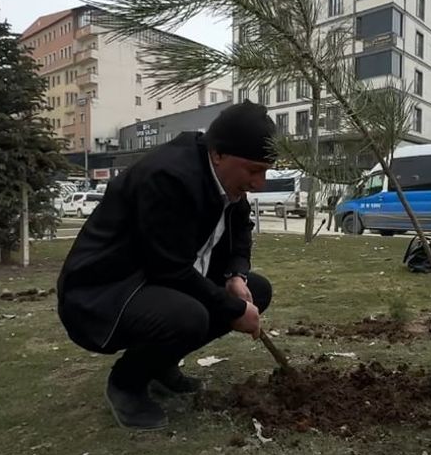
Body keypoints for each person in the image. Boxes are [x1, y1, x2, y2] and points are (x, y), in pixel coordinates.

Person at [57, 101, 276, 430]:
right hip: (104, 292)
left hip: (156, 279)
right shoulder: (169, 177)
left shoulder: (225, 178)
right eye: (253, 171)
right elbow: (169, 269)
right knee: (191, 316)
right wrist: (231, 309)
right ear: (218, 154)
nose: (260, 183)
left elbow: (240, 228)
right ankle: (126, 384)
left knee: (255, 291)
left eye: (265, 171)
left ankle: (160, 365)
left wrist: (235, 275)